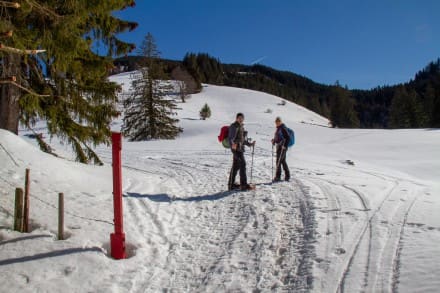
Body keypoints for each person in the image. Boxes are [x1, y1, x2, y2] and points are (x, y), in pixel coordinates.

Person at [228, 113, 256, 191]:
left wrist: (250, 144)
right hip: (236, 149)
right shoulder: (234, 126)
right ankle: (243, 185)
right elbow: (230, 138)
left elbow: (242, 140)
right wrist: (232, 144)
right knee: (243, 164)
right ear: (236, 118)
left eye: (242, 118)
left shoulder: (241, 127)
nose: (240, 119)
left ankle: (231, 185)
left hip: (240, 149)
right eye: (239, 118)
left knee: (235, 167)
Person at [271, 116, 290, 182]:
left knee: (278, 162)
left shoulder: (282, 128)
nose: (277, 123)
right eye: (276, 122)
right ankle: (287, 176)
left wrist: (284, 146)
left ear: (280, 122)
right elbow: (278, 138)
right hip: (279, 147)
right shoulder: (278, 128)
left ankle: (278, 177)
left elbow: (288, 137)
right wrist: (274, 141)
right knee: (283, 161)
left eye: (278, 122)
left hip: (282, 148)